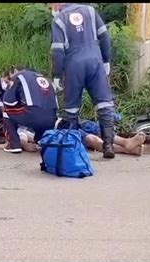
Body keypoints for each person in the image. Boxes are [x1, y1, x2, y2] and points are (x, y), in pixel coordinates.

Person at [49, 3, 116, 159]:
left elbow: (57, 50)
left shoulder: (59, 19)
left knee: (71, 108)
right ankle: (108, 145)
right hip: (95, 60)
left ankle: (73, 147)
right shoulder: (90, 11)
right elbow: (104, 36)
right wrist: (106, 60)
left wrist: (57, 75)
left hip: (73, 65)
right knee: (104, 104)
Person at [1, 66, 59, 153]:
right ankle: (41, 141)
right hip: (52, 118)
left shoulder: (18, 76)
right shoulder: (44, 78)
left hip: (33, 114)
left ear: (15, 71)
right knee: (40, 112)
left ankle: (14, 145)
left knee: (5, 111)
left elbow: (9, 102)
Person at [17, 119, 146, 156]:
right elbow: (22, 138)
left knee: (97, 129)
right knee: (91, 139)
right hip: (61, 132)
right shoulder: (23, 123)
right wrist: (25, 145)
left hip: (68, 121)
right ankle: (127, 149)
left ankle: (126, 142)